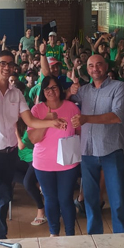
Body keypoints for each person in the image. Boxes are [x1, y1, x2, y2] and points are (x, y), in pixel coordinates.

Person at [0, 50, 67, 241]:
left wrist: (50, 122)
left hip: (9, 153)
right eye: (2, 63)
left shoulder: (16, 94)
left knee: (4, 198)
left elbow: (30, 119)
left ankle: (0, 236)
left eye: (10, 64)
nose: (7, 67)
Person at [67, 54, 124, 234]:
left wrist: (87, 118)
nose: (95, 68)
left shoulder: (119, 88)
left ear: (106, 66)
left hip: (111, 151)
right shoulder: (84, 91)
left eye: (99, 64)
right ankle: (94, 236)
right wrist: (70, 89)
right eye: (91, 66)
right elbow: (66, 99)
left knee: (117, 200)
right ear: (87, 69)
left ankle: (120, 237)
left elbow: (117, 116)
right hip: (88, 151)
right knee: (91, 200)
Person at [29, 76, 81, 236]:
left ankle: (71, 234)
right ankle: (54, 233)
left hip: (68, 163)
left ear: (60, 89)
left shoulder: (72, 107)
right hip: (44, 164)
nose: (51, 91)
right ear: (43, 92)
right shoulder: (37, 110)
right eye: (47, 89)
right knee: (51, 199)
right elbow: (33, 139)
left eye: (54, 87)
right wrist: (47, 120)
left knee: (66, 199)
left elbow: (78, 133)